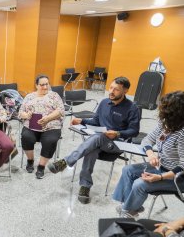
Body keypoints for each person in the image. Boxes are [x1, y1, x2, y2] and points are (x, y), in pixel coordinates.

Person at [48, 76, 140, 204]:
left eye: (116, 90)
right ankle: (85, 186)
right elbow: (96, 121)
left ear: (125, 91)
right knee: (92, 148)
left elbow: (134, 131)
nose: (112, 91)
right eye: (111, 87)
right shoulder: (103, 103)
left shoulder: (132, 108)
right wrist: (82, 121)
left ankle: (66, 162)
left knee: (97, 138)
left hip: (118, 144)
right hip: (99, 140)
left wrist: (118, 133)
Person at [113, 90, 184, 217]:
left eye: (165, 109)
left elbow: (183, 166)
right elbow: (147, 139)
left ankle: (128, 211)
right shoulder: (165, 123)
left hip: (178, 178)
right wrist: (151, 154)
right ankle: (131, 208)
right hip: (162, 167)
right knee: (128, 170)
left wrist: (160, 177)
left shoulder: (182, 133)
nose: (161, 112)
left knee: (140, 183)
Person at [18, 74, 64, 179]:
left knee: (50, 140)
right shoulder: (29, 96)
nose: (45, 87)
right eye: (42, 85)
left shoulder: (54, 95)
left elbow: (60, 110)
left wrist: (47, 118)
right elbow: (21, 112)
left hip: (51, 126)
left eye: (46, 84)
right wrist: (27, 115)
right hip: (32, 126)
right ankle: (30, 160)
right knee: (26, 137)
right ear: (36, 85)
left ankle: (41, 166)